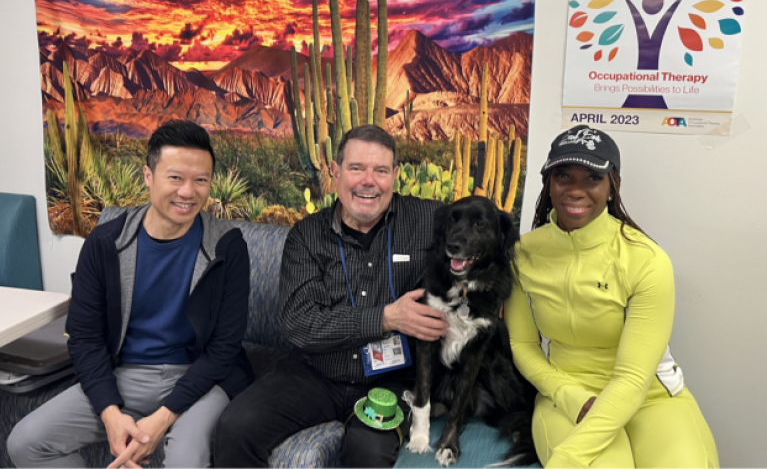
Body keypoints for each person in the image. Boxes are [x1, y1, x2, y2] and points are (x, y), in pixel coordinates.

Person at [8, 120, 254, 468]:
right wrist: (110, 413)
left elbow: (224, 348)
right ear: (148, 176)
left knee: (185, 459)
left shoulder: (227, 246)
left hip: (197, 376)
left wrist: (162, 418)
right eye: (175, 178)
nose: (188, 192)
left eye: (201, 180)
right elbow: (84, 337)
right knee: (27, 442)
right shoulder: (106, 243)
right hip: (124, 374)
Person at [214, 124, 448, 467]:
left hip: (393, 378)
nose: (369, 181)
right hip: (314, 373)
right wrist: (385, 318)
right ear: (335, 172)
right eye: (356, 168)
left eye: (381, 171)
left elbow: (481, 238)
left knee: (368, 450)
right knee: (234, 428)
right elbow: (298, 323)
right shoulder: (307, 236)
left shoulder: (429, 221)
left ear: (395, 175)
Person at [504, 125, 719, 468]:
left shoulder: (646, 259)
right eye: (563, 176)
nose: (575, 190)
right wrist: (566, 394)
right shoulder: (522, 255)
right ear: (549, 182)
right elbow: (524, 346)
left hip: (651, 396)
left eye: (592, 178)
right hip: (569, 396)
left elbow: (633, 378)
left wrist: (568, 459)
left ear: (611, 186)